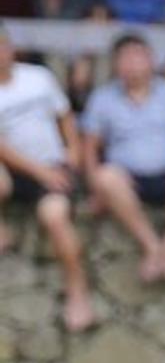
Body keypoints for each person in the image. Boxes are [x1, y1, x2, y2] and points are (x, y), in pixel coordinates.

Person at [79, 31, 165, 284]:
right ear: (115, 64)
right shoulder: (102, 98)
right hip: (127, 179)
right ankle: (153, 247)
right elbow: (89, 148)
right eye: (125, 58)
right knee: (106, 176)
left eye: (138, 57)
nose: (133, 64)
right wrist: (95, 187)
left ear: (152, 60)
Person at [0, 21, 92, 329]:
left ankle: (77, 289)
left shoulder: (39, 78)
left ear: (10, 47)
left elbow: (65, 116)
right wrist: (38, 171)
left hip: (54, 167)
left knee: (54, 216)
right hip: (15, 172)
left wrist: (73, 153)